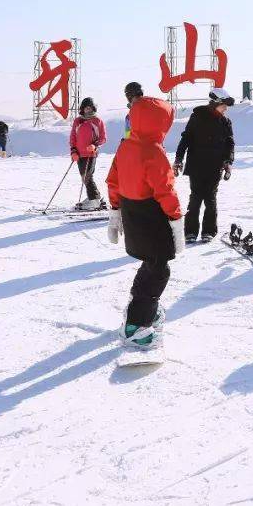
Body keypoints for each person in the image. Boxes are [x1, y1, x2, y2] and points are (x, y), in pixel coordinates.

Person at [106, 97, 186, 348]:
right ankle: (135, 326)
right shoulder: (154, 151)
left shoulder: (125, 146)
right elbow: (166, 191)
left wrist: (115, 214)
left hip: (132, 216)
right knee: (159, 270)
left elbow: (113, 180)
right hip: (152, 219)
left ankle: (140, 308)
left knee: (151, 264)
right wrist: (176, 222)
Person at [173, 88, 235, 242]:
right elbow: (185, 139)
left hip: (215, 166)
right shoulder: (197, 118)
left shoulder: (225, 121)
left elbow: (230, 144)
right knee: (195, 198)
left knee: (210, 198)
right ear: (216, 103)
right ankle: (190, 232)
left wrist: (228, 162)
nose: (226, 108)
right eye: (224, 105)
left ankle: (209, 231)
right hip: (197, 165)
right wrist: (178, 159)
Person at [69, 97, 108, 210]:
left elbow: (103, 138)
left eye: (90, 107)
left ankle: (94, 200)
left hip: (91, 153)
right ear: (82, 109)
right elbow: (73, 137)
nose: (88, 110)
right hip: (79, 154)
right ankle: (95, 197)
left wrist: (95, 145)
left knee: (87, 176)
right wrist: (73, 151)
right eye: (86, 108)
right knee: (84, 176)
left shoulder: (97, 121)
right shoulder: (78, 121)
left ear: (93, 108)